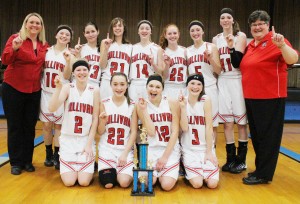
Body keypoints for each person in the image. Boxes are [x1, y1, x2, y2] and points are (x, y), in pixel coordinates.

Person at [240, 10, 298, 185]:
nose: (257, 27)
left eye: (261, 24)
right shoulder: (251, 46)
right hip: (252, 98)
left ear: (268, 25)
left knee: (268, 138)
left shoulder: (277, 41)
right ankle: (260, 170)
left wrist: (282, 46)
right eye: (254, 24)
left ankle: (264, 175)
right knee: (257, 137)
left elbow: (292, 59)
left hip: (270, 98)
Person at [1, 13, 48, 175]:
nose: (34, 25)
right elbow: (5, 60)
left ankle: (27, 161)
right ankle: (16, 162)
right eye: (31, 22)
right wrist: (14, 48)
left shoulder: (44, 45)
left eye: (38, 23)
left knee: (29, 127)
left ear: (41, 26)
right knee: (15, 127)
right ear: (26, 23)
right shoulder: (16, 38)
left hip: (33, 91)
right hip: (13, 88)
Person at [48, 60, 100, 186]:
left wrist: (89, 144)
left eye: (84, 70)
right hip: (68, 139)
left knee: (83, 182)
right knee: (69, 182)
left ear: (89, 72)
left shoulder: (95, 90)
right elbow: (52, 108)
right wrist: (58, 88)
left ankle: (86, 166)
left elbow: (95, 119)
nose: (81, 72)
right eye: (78, 70)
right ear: (73, 73)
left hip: (85, 140)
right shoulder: (67, 88)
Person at [212, 8, 248, 174]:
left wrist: (232, 46)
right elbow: (217, 66)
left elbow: (237, 62)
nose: (225, 20)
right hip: (223, 80)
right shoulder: (215, 39)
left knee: (241, 122)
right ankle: (230, 159)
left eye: (228, 17)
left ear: (233, 20)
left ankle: (242, 160)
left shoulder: (240, 36)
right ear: (220, 21)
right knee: (227, 122)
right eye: (222, 18)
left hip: (237, 79)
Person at [136, 74, 180, 191]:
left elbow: (175, 131)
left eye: (157, 87)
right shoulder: (140, 105)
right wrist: (144, 110)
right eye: (150, 86)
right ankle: (155, 174)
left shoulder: (171, 102)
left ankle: (167, 171)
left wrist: (165, 157)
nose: (153, 89)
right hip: (151, 149)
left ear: (162, 89)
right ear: (146, 88)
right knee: (147, 183)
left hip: (169, 149)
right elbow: (150, 132)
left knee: (166, 185)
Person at [40, 25, 74, 170]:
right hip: (46, 92)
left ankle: (57, 155)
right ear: (56, 35)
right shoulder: (46, 51)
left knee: (59, 126)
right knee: (47, 125)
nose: (64, 36)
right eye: (61, 33)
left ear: (70, 38)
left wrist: (68, 61)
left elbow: (67, 76)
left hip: (60, 94)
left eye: (67, 34)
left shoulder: (70, 54)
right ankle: (48, 154)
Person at [97, 72, 137, 188]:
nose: (119, 88)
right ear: (110, 85)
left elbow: (134, 132)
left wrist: (125, 154)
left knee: (124, 183)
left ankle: (125, 169)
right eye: (115, 84)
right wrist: (103, 122)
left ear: (127, 85)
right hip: (107, 150)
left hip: (124, 150)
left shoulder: (133, 105)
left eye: (122, 84)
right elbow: (99, 132)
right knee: (108, 184)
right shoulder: (104, 103)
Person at [179, 74, 219, 189]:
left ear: (202, 87)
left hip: (205, 148)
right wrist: (182, 108)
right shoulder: (182, 102)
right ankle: (183, 161)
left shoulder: (206, 99)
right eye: (192, 83)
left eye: (199, 84)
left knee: (212, 184)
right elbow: (185, 128)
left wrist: (209, 151)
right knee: (197, 184)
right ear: (187, 85)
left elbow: (209, 127)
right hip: (189, 149)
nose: (195, 86)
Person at [186, 20, 221, 142]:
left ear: (203, 31)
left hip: (209, 88)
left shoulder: (211, 47)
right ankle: (198, 151)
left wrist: (211, 58)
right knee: (196, 122)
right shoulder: (187, 50)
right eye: (192, 31)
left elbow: (218, 70)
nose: (195, 33)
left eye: (197, 30)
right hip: (194, 90)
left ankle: (212, 153)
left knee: (212, 123)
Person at [129, 20, 164, 102]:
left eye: (147, 29)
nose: (144, 31)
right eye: (142, 28)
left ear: (151, 31)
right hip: (134, 84)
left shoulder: (157, 49)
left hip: (150, 85)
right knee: (133, 111)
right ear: (138, 31)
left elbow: (160, 73)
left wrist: (153, 63)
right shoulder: (131, 48)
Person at [100, 17, 132, 99]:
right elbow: (102, 66)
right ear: (112, 29)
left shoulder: (130, 47)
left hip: (121, 84)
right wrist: (106, 49)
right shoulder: (105, 43)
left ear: (124, 28)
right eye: (115, 26)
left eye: (120, 26)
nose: (117, 28)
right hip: (107, 81)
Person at [159, 24, 187, 100]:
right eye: (169, 34)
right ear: (165, 35)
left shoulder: (185, 51)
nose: (172, 36)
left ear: (178, 34)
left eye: (175, 33)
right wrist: (167, 65)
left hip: (183, 87)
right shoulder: (162, 52)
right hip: (168, 87)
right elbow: (164, 77)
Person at [74, 22, 101, 87]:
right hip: (80, 83)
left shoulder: (103, 49)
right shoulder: (80, 48)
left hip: (95, 84)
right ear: (84, 34)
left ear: (98, 32)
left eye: (93, 31)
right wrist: (77, 54)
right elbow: (76, 68)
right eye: (87, 32)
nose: (90, 34)